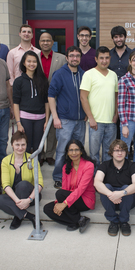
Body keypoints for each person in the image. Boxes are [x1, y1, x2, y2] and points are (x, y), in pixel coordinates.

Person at [49, 46, 87, 189]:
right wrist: (55, 117)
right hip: (64, 120)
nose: (74, 58)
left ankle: (75, 175)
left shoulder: (84, 74)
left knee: (78, 150)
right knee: (63, 150)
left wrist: (86, 114)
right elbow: (51, 96)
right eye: (71, 55)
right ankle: (58, 177)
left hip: (81, 121)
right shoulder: (59, 74)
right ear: (67, 58)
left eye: (77, 55)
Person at [43, 140, 95, 233]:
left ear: (81, 151)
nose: (74, 153)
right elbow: (65, 189)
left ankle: (73, 220)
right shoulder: (66, 167)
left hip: (84, 199)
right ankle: (78, 220)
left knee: (59, 194)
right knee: (47, 208)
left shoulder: (89, 166)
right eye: (70, 150)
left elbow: (80, 189)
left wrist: (63, 204)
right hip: (70, 199)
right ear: (67, 152)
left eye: (76, 150)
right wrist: (58, 203)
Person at [0, 131, 43, 230]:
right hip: (14, 197)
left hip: (31, 196)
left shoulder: (33, 159)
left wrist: (28, 200)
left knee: (23, 185)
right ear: (12, 145)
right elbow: (5, 185)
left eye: (23, 145)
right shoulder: (5, 161)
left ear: (26, 145)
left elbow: (39, 183)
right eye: (17, 144)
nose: (20, 148)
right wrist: (18, 201)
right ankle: (29, 216)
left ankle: (18, 217)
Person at [80, 46, 118, 166]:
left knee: (109, 153)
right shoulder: (88, 74)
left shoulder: (113, 75)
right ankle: (95, 177)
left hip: (111, 122)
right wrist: (90, 117)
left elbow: (117, 97)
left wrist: (116, 114)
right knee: (94, 154)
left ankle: (105, 177)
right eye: (101, 58)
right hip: (95, 122)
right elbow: (83, 97)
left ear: (110, 58)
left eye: (107, 58)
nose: (104, 60)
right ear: (96, 59)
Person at [94, 140, 135, 236]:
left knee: (127, 187)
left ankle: (124, 221)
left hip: (127, 200)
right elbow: (97, 182)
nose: (120, 153)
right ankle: (113, 221)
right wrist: (111, 194)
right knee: (105, 187)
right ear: (111, 152)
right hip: (110, 200)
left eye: (123, 150)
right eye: (116, 150)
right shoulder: (105, 165)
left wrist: (121, 193)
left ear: (126, 152)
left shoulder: (132, 165)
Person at [37, 32, 67, 166]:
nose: (45, 43)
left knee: (53, 128)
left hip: (55, 97)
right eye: (43, 40)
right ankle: (40, 154)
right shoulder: (34, 58)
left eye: (48, 40)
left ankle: (49, 154)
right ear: (39, 42)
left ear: (52, 42)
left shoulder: (61, 58)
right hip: (37, 98)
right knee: (39, 126)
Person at [13, 50, 49, 154]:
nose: (31, 64)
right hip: (25, 119)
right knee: (26, 146)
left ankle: (36, 168)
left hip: (40, 119)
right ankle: (26, 167)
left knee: (38, 146)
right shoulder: (19, 81)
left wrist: (46, 121)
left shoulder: (43, 80)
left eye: (34, 61)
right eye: (29, 61)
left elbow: (46, 102)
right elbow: (16, 103)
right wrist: (18, 123)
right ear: (24, 63)